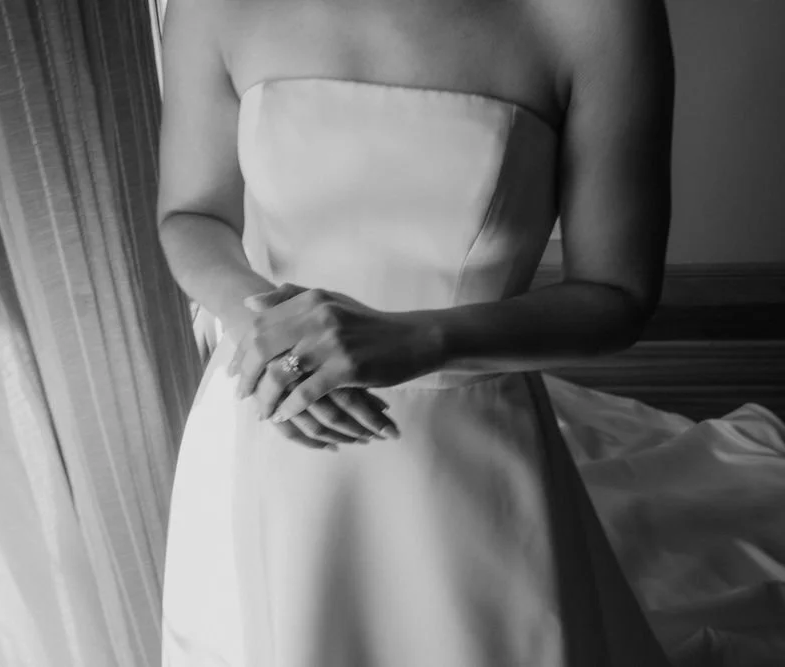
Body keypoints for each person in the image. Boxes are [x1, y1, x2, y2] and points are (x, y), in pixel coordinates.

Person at [156, 0, 675, 664]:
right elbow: (192, 213)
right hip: (270, 411)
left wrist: (423, 340)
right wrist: (267, 327)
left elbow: (619, 294)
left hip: (461, 449)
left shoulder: (599, 15)